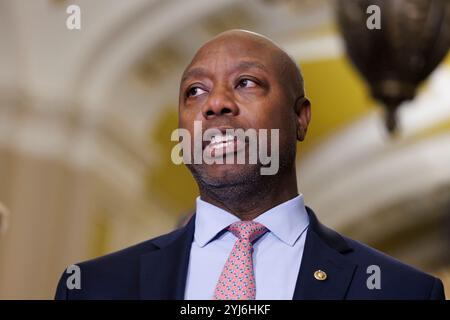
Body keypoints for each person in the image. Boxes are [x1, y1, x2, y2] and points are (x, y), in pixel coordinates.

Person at [55, 30, 445, 300]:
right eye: (195, 90)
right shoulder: (92, 287)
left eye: (246, 83)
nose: (215, 103)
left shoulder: (400, 291)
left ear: (300, 117)